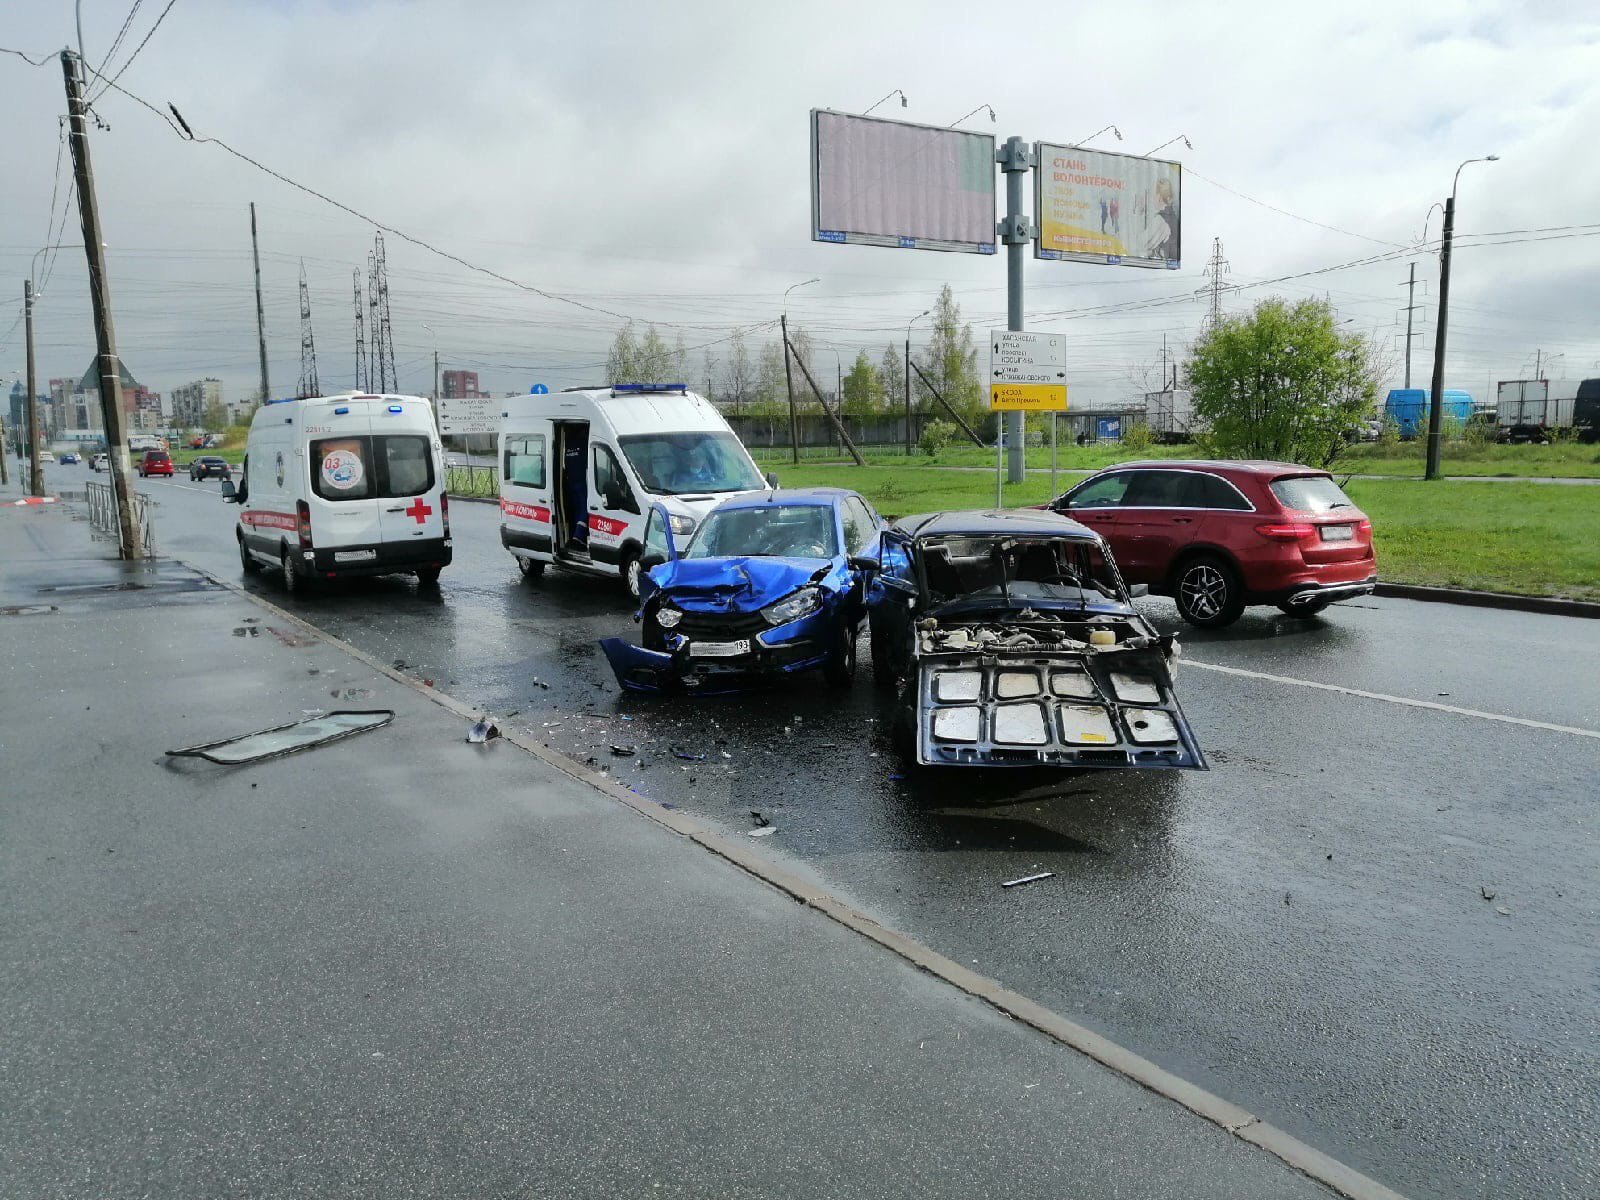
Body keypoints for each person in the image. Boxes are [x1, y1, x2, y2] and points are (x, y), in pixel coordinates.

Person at [1144, 176, 1179, 261]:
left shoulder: (1159, 220)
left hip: (1165, 258)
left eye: (1152, 195)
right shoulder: (1172, 217)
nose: (1150, 200)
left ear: (1159, 197)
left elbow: (1143, 244)